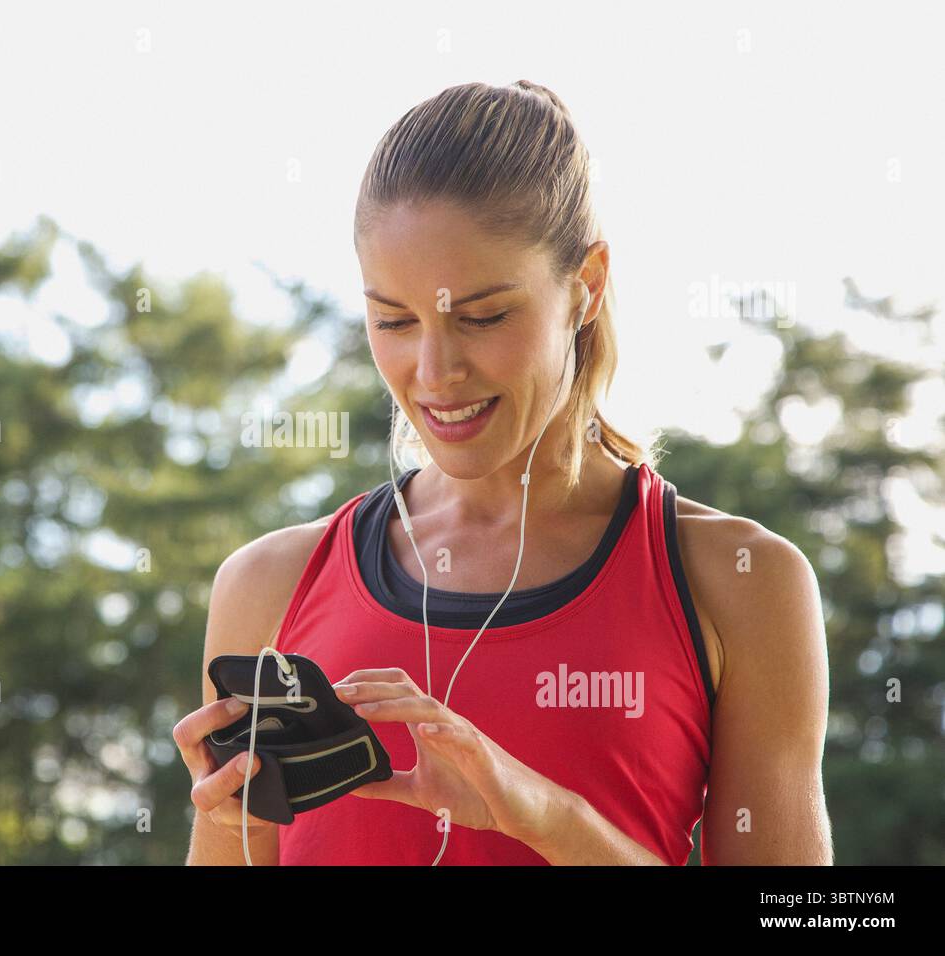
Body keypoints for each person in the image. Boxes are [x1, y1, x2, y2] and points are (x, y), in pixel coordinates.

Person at [174, 80, 833, 865]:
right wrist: (237, 828)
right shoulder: (267, 584)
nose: (434, 370)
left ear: (585, 287)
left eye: (482, 316)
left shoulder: (740, 582)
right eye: (392, 320)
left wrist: (547, 816)